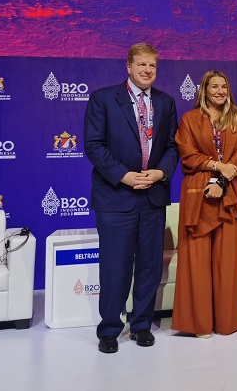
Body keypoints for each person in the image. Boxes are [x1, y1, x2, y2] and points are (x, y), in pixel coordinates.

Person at [83, 43, 179, 354]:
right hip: (116, 196)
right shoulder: (103, 98)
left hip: (153, 196)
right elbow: (94, 145)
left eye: (152, 65)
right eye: (141, 64)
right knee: (115, 266)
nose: (147, 70)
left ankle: (141, 325)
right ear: (128, 66)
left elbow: (172, 147)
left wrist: (160, 173)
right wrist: (123, 175)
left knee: (150, 265)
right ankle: (110, 329)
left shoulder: (165, 102)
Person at [172, 70, 237, 337]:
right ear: (204, 90)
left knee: (226, 262)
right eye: (214, 86)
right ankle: (200, 324)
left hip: (227, 197)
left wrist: (221, 182)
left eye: (224, 86)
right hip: (197, 196)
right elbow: (188, 155)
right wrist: (217, 167)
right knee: (196, 261)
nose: (220, 91)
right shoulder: (189, 119)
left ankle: (227, 322)